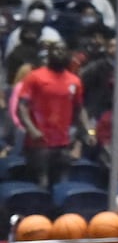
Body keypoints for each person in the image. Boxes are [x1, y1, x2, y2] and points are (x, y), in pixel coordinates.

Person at [16, 40, 94, 190]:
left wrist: (88, 131)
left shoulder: (74, 81)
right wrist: (32, 129)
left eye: (62, 50)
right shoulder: (35, 77)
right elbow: (22, 106)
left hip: (63, 141)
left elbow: (79, 108)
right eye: (55, 50)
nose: (59, 53)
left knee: (61, 184)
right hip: (39, 142)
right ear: (49, 53)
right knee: (41, 183)